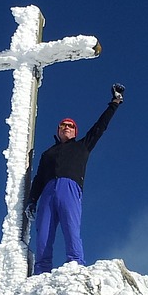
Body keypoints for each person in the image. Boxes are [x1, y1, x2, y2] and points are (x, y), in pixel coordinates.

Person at [25, 83, 125, 275]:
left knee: (71, 230)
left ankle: (76, 267)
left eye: (70, 126)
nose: (66, 128)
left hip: (69, 188)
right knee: (43, 235)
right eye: (63, 125)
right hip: (47, 192)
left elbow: (99, 127)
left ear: (75, 132)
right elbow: (38, 178)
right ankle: (40, 274)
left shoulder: (82, 146)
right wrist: (32, 200)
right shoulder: (47, 154)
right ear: (58, 130)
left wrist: (115, 102)